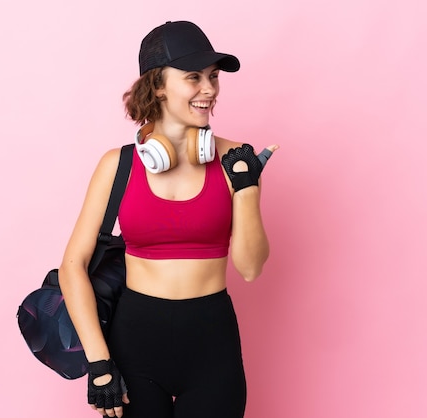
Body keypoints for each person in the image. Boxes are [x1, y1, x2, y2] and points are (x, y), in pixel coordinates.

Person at [58, 20, 279, 418]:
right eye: (193, 77)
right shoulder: (118, 165)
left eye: (213, 77)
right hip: (134, 345)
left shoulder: (236, 160)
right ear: (158, 84)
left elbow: (249, 268)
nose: (209, 90)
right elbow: (72, 266)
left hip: (213, 344)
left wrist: (246, 190)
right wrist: (99, 364)